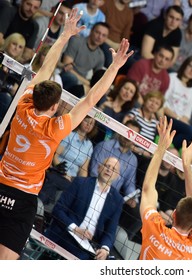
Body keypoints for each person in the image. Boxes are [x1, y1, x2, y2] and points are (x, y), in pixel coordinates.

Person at [0, 8, 132, 260]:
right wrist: (114, 67)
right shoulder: (53, 129)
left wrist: (64, 35)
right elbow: (92, 98)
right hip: (23, 199)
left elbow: (45, 70)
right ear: (54, 107)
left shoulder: (23, 104)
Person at [139, 117, 192, 259]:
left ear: (174, 214)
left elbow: (147, 190)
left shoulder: (155, 229)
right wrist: (187, 166)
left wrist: (161, 149)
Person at [44, 157, 124, 260]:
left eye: (113, 169)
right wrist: (75, 229)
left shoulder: (117, 200)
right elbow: (58, 210)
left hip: (89, 245)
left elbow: (110, 231)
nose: (109, 170)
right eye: (107, 166)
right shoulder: (80, 183)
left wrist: (105, 249)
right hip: (66, 234)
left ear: (117, 176)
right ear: (99, 168)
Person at [60, 21, 109, 93]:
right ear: (91, 31)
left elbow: (98, 79)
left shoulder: (101, 55)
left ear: (106, 38)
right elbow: (66, 67)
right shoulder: (76, 41)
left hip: (82, 83)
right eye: (97, 32)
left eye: (103, 35)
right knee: (72, 78)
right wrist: (87, 83)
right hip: (66, 75)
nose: (100, 37)